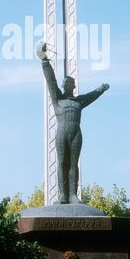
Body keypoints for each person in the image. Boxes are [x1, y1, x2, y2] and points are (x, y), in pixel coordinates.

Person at [37, 42, 110, 204]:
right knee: (63, 162)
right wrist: (44, 60)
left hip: (76, 133)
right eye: (63, 84)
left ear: (73, 86)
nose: (64, 85)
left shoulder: (79, 101)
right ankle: (63, 195)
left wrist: (101, 89)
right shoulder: (58, 99)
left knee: (73, 164)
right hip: (62, 132)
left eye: (67, 84)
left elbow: (91, 95)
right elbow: (51, 81)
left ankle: (73, 195)